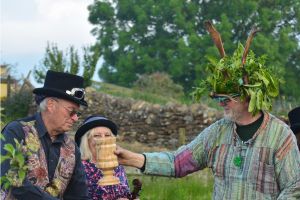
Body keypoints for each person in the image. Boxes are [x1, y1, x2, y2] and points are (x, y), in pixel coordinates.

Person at [115, 21, 300, 199]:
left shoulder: (280, 137)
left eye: (225, 98)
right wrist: (132, 158)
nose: (220, 103)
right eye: (217, 97)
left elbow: (294, 187)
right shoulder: (218, 132)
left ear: (248, 95)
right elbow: (178, 163)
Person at [1, 70, 89, 199]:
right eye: (71, 111)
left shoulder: (72, 148)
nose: (75, 118)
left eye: (77, 114)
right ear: (51, 105)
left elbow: (79, 195)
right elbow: (13, 179)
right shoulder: (17, 131)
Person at [75, 115, 132, 200]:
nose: (103, 140)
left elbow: (126, 193)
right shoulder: (78, 168)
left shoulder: (118, 166)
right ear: (87, 141)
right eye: (97, 136)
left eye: (107, 135)